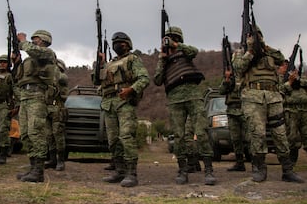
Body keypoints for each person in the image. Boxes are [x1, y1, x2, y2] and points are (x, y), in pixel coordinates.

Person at [233, 27, 304, 183]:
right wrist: (251, 51)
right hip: (253, 97)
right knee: (258, 133)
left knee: (280, 134)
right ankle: (259, 168)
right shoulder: (241, 53)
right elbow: (238, 69)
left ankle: (287, 170)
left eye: (257, 36)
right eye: (252, 36)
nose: (255, 39)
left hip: (273, 96)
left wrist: (264, 47)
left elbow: (281, 58)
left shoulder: (269, 52)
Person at [154, 26, 216, 185]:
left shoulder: (185, 52)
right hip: (175, 100)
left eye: (173, 38)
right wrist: (162, 57)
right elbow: (158, 80)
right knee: (179, 136)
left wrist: (176, 46)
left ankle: (208, 169)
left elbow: (194, 51)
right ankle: (182, 170)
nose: (170, 41)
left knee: (201, 132)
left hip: (193, 96)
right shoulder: (164, 59)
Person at [94, 32, 150, 188]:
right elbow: (96, 80)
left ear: (128, 45)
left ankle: (131, 173)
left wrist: (131, 90)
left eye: (121, 43)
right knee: (113, 140)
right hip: (108, 103)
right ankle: (119, 171)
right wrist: (99, 64)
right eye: (116, 43)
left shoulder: (133, 60)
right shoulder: (109, 64)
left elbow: (144, 78)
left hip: (124, 101)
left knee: (126, 136)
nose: (118, 45)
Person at [15, 30, 56, 183]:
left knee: (35, 132)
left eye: (35, 39)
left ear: (44, 40)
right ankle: (33, 168)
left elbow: (34, 51)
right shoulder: (30, 59)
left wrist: (23, 41)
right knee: (25, 133)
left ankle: (38, 172)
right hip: (25, 97)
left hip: (37, 96)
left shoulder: (47, 53)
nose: (33, 41)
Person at [219, 49, 247, 172]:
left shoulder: (247, 74)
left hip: (245, 109)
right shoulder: (229, 76)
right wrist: (226, 80)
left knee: (250, 138)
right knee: (235, 139)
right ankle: (239, 162)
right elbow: (221, 91)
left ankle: (257, 162)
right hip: (232, 110)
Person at [278, 60, 307, 166]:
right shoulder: (280, 80)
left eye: (287, 66)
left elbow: (304, 83)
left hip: (304, 110)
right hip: (290, 112)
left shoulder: (300, 78)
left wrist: (296, 79)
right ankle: (290, 163)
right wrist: (289, 82)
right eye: (283, 66)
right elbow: (279, 92)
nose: (285, 68)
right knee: (292, 138)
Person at [45, 58, 69, 171]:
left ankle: (61, 160)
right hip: (47, 107)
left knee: (58, 135)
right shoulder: (49, 76)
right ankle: (52, 159)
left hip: (58, 108)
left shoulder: (61, 76)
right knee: (49, 135)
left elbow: (58, 81)